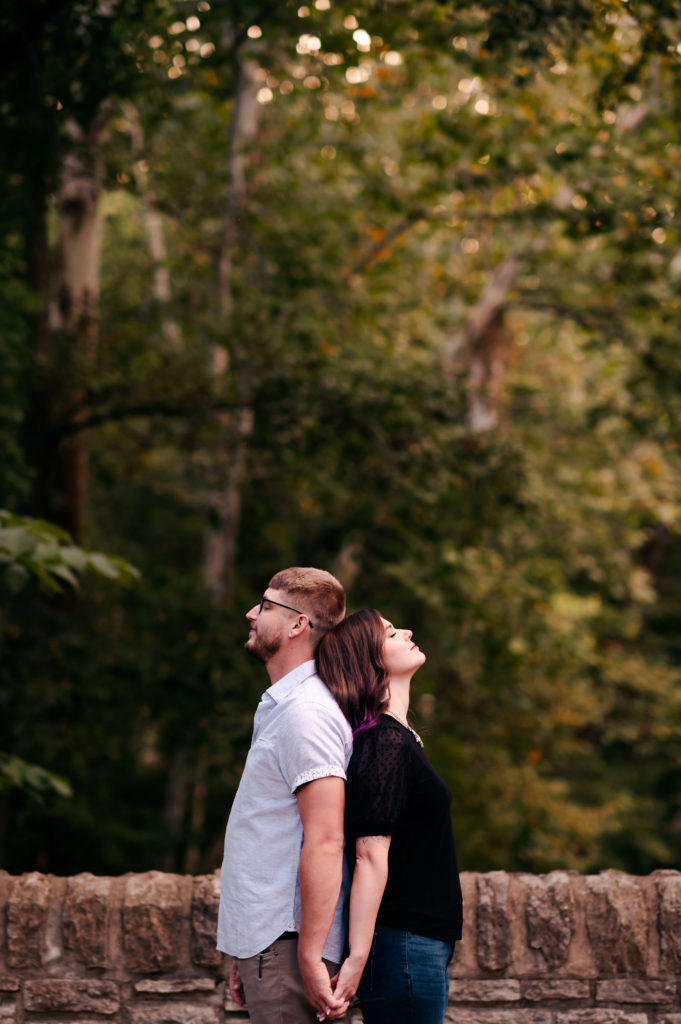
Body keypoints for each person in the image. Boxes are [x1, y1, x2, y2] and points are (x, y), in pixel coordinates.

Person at [217, 567, 353, 1024]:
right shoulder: (286, 706)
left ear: (298, 624)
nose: (251, 613)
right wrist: (248, 947)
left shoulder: (306, 713)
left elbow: (326, 839)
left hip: (289, 944)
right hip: (273, 942)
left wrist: (308, 957)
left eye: (267, 605)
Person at [317, 609, 463, 1024]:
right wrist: (358, 957)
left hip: (417, 944)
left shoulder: (398, 738)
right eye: (393, 633)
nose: (409, 632)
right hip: (402, 944)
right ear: (371, 659)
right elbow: (370, 856)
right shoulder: (383, 741)